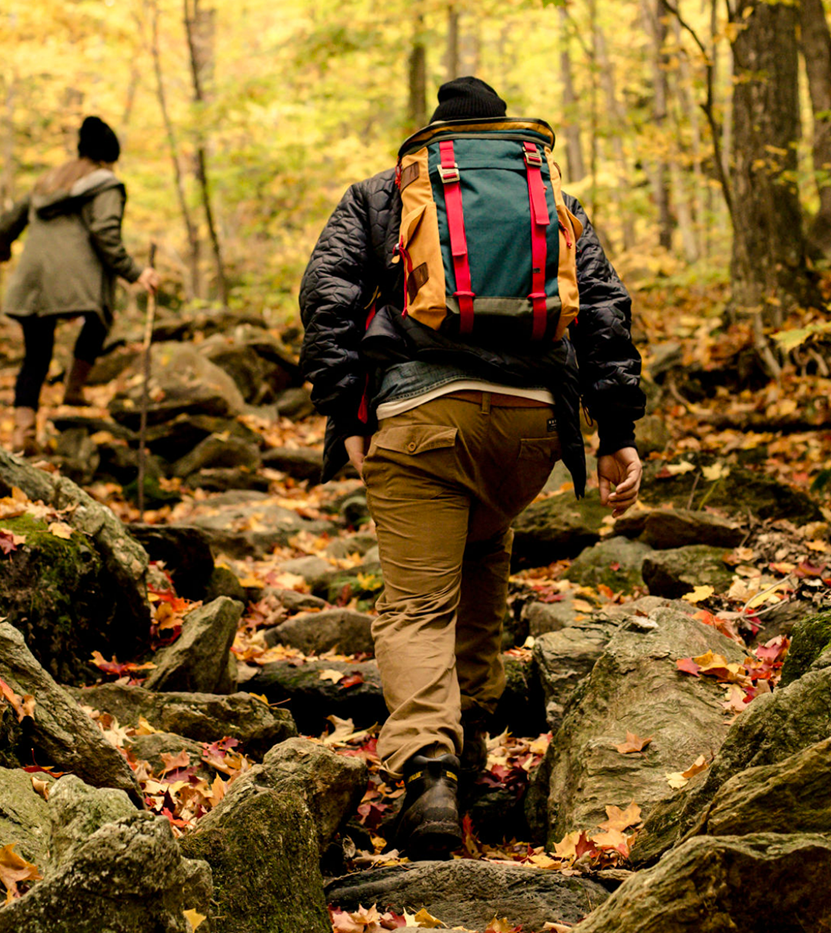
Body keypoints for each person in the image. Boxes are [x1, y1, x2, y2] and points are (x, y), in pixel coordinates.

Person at [298, 77, 646, 860]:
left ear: (434, 136)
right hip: (531, 429)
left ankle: (428, 775)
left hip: (421, 418)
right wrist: (617, 429)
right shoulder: (553, 197)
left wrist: (342, 406)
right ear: (503, 136)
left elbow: (327, 295)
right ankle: (476, 743)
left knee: (418, 604)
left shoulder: (384, 192)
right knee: (483, 551)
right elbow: (604, 308)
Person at [0, 116, 159, 455]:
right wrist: (135, 272)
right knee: (100, 318)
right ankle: (74, 388)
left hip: (33, 282)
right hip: (75, 282)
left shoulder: (47, 181)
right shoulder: (106, 184)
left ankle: (23, 435)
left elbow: (5, 225)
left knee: (35, 356)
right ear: (109, 156)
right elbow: (105, 232)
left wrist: (2, 251)